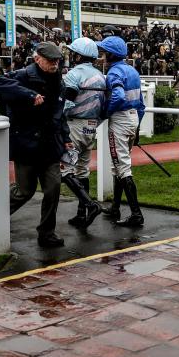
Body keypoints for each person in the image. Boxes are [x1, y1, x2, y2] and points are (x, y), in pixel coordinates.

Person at [0, 42, 71, 248]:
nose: (55, 64)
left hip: (50, 145)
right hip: (26, 143)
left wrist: (66, 137)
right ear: (37, 59)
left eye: (57, 61)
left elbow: (58, 114)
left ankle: (46, 233)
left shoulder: (58, 81)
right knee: (24, 191)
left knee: (52, 188)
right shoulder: (22, 75)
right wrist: (29, 95)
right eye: (51, 61)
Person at [97, 35, 145, 228]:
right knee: (118, 165)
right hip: (133, 118)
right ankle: (115, 207)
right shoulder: (132, 70)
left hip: (120, 119)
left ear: (110, 54)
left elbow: (117, 97)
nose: (102, 56)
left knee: (122, 166)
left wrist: (106, 113)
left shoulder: (114, 72)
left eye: (103, 52)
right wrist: (137, 126)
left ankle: (136, 214)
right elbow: (141, 104)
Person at [61, 37, 105, 229]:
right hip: (92, 126)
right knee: (82, 170)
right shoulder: (101, 76)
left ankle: (90, 205)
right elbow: (105, 107)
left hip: (74, 126)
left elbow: (67, 103)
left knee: (65, 171)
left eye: (73, 52)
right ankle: (81, 214)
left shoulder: (73, 74)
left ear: (78, 55)